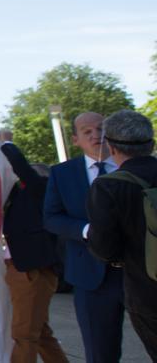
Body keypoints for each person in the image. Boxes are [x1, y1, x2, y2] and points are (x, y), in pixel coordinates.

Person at [44, 112, 124, 363]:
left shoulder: (132, 166)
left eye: (101, 128)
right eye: (87, 131)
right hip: (90, 277)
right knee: (100, 352)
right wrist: (85, 230)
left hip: (137, 274)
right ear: (75, 139)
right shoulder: (62, 173)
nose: (96, 135)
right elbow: (51, 218)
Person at [87, 111, 157, 359]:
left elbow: (104, 248)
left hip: (146, 291)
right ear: (152, 144)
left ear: (111, 146)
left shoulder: (109, 185)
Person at [0, 132, 68, 363]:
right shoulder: (21, 197)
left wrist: (6, 144)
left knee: (24, 334)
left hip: (32, 271)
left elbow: (23, 169)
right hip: (23, 268)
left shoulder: (42, 189)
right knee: (40, 332)